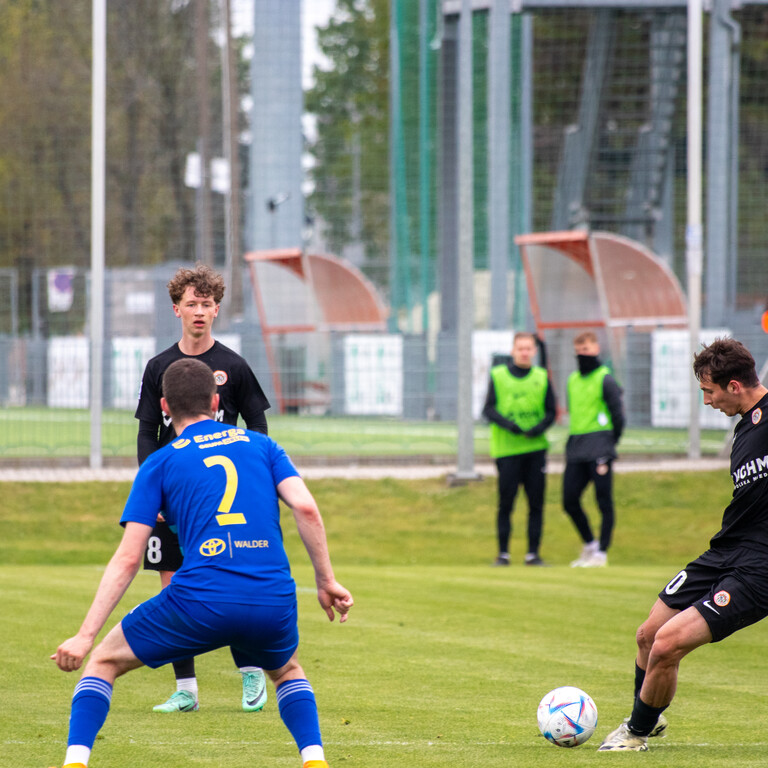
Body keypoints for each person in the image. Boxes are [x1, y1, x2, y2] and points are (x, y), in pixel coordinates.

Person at [51, 358, 353, 768]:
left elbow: (127, 557)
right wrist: (326, 581)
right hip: (271, 597)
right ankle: (315, 760)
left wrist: (85, 636)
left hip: (200, 599)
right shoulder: (263, 446)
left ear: (163, 406)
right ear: (215, 402)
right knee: (285, 671)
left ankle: (75, 762)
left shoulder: (158, 463)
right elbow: (306, 508)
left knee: (103, 661)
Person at [598, 337, 768, 751]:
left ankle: (635, 733)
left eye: (709, 392)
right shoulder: (746, 427)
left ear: (733, 386)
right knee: (648, 634)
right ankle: (651, 716)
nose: (707, 402)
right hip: (725, 551)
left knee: (669, 643)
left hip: (760, 566)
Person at [135, 264, 271, 713]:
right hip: (174, 497)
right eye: (190, 303)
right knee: (172, 588)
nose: (198, 311)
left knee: (233, 584)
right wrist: (152, 491)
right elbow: (147, 433)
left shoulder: (233, 366)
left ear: (216, 310)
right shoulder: (159, 367)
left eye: (206, 304)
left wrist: (260, 480)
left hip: (222, 502)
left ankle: (252, 674)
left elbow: (258, 426)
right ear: (176, 309)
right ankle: (186, 690)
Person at [482, 333, 556, 566]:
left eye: (528, 348)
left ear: (534, 351)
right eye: (520, 348)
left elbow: (552, 411)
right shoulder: (499, 375)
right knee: (506, 503)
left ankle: (532, 554)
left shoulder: (542, 377)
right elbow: (489, 409)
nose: (524, 352)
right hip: (507, 450)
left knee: (536, 503)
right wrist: (509, 426)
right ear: (513, 350)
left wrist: (538, 428)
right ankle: (503, 554)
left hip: (535, 450)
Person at [562, 331, 624, 567]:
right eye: (579, 351)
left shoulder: (605, 379)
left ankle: (602, 553)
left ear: (596, 350)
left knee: (603, 501)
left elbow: (618, 415)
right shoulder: (572, 380)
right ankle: (590, 544)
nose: (582, 355)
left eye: (586, 350)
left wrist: (610, 442)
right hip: (577, 446)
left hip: (600, 445)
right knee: (569, 500)